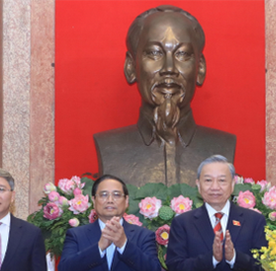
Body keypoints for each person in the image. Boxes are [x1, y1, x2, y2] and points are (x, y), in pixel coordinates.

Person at [94, 5, 236, 186]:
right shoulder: (110, 147)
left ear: (200, 69)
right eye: (154, 53)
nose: (169, 68)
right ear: (131, 67)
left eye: (182, 54)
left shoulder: (223, 145)